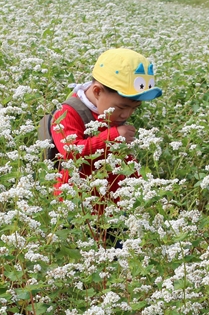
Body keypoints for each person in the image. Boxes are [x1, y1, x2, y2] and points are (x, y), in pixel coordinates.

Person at [46, 48, 162, 204]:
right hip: (77, 205)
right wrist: (114, 136)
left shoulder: (109, 110)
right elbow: (71, 153)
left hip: (111, 204)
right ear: (97, 92)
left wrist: (142, 188)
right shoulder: (67, 113)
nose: (126, 115)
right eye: (122, 107)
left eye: (134, 108)